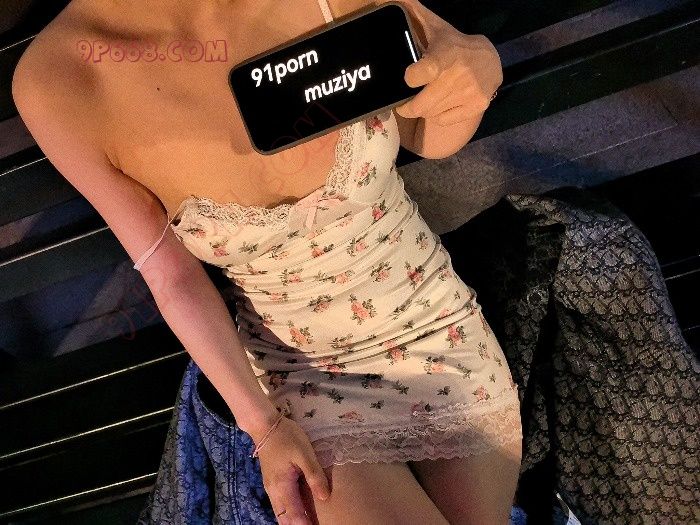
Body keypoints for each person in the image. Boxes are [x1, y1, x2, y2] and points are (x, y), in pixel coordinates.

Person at [12, 0, 521, 523]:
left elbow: (428, 132)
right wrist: (264, 427)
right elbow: (171, 276)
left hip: (438, 323)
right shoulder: (60, 80)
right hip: (303, 372)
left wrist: (474, 72)